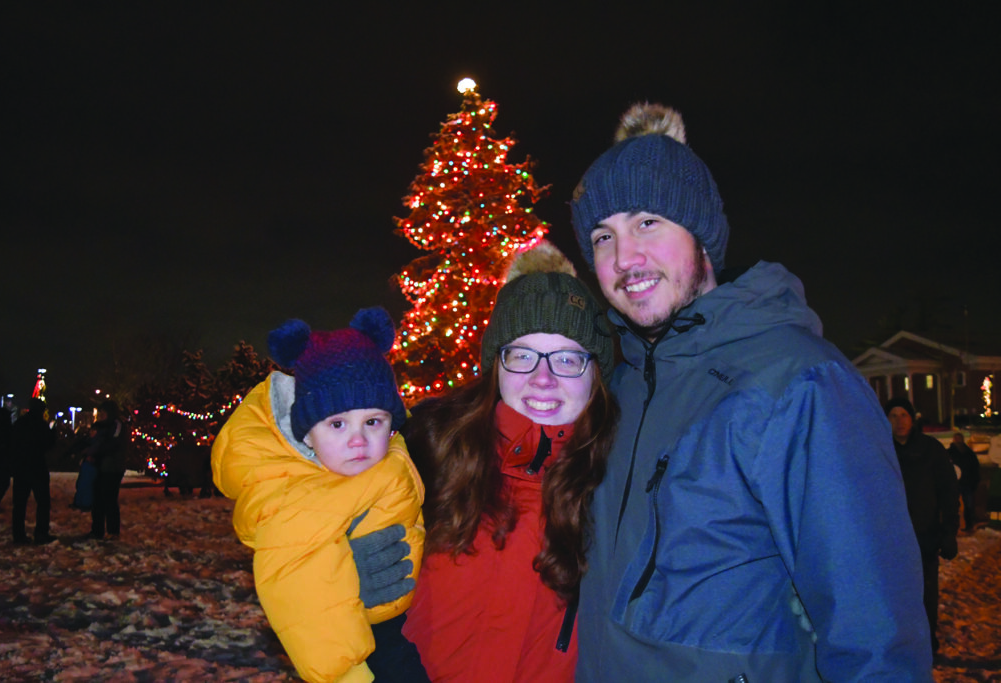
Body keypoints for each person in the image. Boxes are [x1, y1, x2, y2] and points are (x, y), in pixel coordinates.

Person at [567, 103, 932, 681]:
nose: (624, 258)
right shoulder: (616, 385)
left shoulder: (799, 384)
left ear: (702, 237)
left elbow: (873, 633)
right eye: (602, 235)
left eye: (647, 223)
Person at [399, 242, 619, 682]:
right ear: (496, 363)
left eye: (567, 358)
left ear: (595, 373)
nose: (543, 378)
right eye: (522, 354)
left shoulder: (614, 481)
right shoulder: (430, 450)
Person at [212, 307, 426, 683]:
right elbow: (305, 605)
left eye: (373, 421)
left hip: (405, 628)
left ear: (393, 425)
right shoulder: (298, 501)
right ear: (308, 434)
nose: (358, 439)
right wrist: (349, 676)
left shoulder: (392, 463)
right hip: (360, 656)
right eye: (338, 424)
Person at [885, 397, 960, 655]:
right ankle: (901, 645)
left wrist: (949, 532)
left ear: (912, 418)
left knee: (925, 595)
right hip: (890, 541)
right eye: (893, 416)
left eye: (903, 415)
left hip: (924, 537)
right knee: (895, 597)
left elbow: (949, 492)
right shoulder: (881, 451)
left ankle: (926, 644)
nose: (899, 421)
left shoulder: (931, 450)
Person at [11, 397, 57, 544]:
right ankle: (41, 533)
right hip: (37, 466)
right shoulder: (41, 425)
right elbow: (48, 444)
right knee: (43, 502)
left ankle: (18, 535)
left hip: (21, 467)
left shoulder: (20, 423)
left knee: (19, 504)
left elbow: (12, 443)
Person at [84, 400, 127, 539]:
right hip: (102, 466)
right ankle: (97, 530)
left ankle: (112, 530)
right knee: (98, 499)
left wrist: (96, 452)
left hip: (113, 467)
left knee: (109, 498)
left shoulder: (117, 425)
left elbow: (113, 444)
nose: (101, 415)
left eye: (103, 412)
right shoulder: (103, 426)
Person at [949, 431, 982, 533]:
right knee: (953, 506)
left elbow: (975, 468)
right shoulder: (949, 453)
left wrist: (974, 482)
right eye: (956, 438)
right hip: (955, 484)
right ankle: (954, 526)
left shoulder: (969, 454)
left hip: (967, 483)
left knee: (968, 505)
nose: (958, 440)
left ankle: (968, 525)